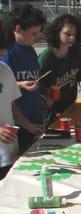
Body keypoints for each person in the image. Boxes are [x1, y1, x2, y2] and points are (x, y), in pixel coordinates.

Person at [1, 21, 42, 180]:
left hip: (9, 152)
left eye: (2, 54)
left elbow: (12, 107)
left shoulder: (5, 70)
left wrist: (29, 126)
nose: (1, 58)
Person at [3, 3, 46, 154]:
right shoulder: (8, 51)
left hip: (33, 117)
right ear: (18, 29)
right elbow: (4, 85)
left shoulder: (31, 51)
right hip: (15, 124)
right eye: (34, 33)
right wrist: (21, 84)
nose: (37, 37)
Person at [38, 14, 81, 126]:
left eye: (74, 35)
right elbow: (35, 85)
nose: (72, 38)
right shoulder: (46, 57)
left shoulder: (78, 53)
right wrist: (46, 96)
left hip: (71, 107)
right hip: (50, 113)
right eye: (67, 34)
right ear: (57, 33)